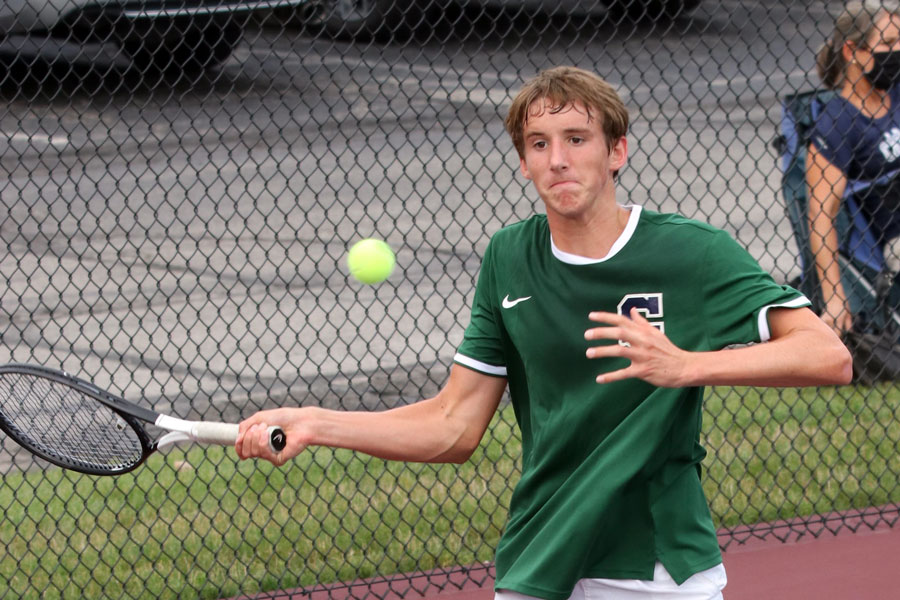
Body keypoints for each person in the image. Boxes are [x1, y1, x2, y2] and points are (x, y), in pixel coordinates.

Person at [237, 66, 852, 600]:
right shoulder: (510, 256)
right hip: (541, 553)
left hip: (657, 562)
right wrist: (317, 423)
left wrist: (688, 365)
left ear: (616, 151)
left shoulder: (689, 252)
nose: (557, 158)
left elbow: (827, 356)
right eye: (538, 143)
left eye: (577, 139)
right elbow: (453, 426)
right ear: (525, 161)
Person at [807, 0, 900, 337]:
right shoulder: (837, 124)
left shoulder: (897, 95)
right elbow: (820, 217)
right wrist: (834, 296)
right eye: (888, 44)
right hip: (886, 243)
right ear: (852, 51)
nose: (898, 50)